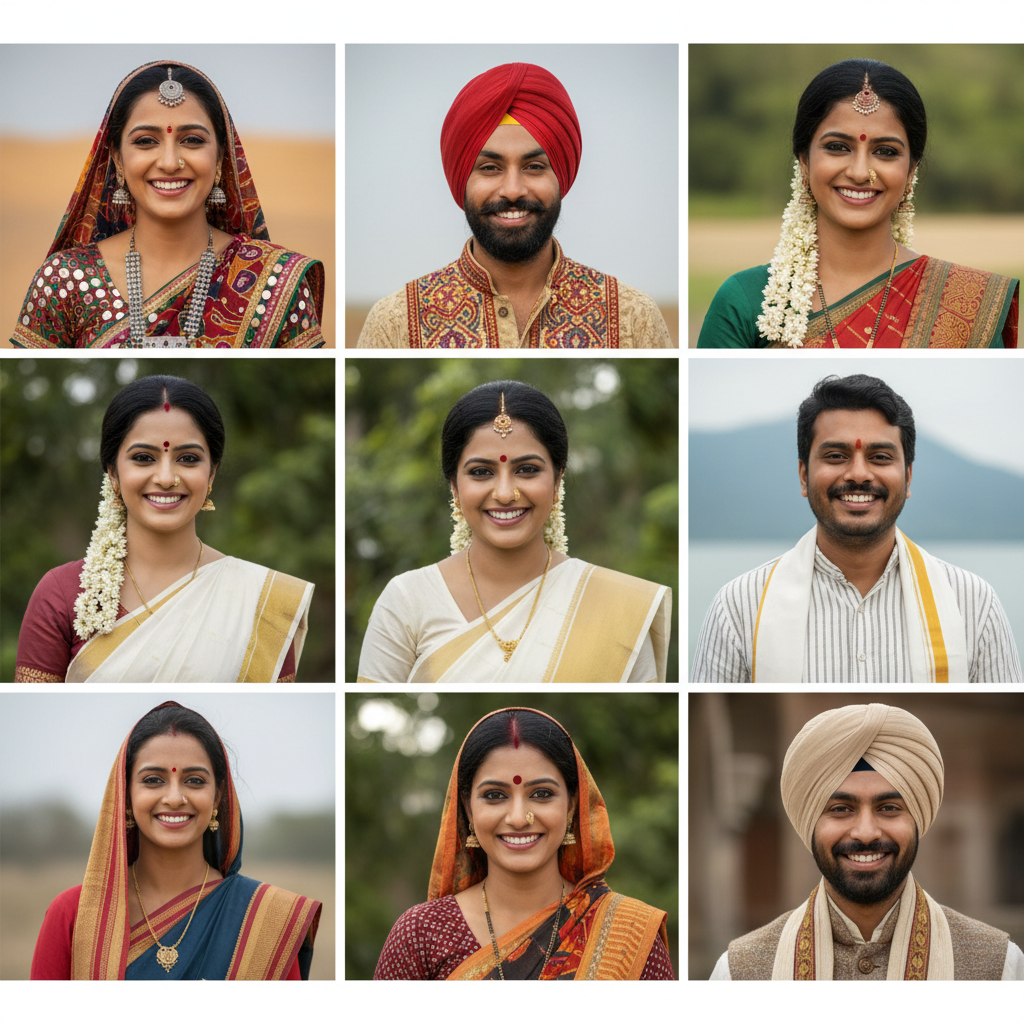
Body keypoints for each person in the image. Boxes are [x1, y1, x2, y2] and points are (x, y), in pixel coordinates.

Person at [691, 374, 1021, 682]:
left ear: (907, 477)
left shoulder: (974, 604)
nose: (859, 474)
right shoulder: (738, 605)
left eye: (879, 457)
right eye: (836, 456)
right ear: (804, 476)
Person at [356, 380, 671, 682]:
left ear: (558, 479)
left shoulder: (617, 606)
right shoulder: (407, 600)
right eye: (481, 472)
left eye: (527, 470)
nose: (505, 493)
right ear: (454, 485)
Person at [697, 58, 1018, 348]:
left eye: (886, 151)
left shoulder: (966, 303)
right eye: (837, 147)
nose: (861, 172)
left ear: (911, 170)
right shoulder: (745, 300)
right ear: (805, 161)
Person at [14, 375, 314, 682]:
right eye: (144, 458)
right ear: (113, 473)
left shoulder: (262, 601)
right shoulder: (62, 594)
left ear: (211, 473)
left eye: (188, 458)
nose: (167, 477)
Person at [11, 60, 324, 348]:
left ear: (220, 159)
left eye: (192, 140)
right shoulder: (64, 280)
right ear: (118, 159)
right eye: (146, 141)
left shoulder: (276, 282)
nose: (171, 162)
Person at [357, 63, 671, 349]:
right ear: (462, 179)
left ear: (560, 176)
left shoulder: (633, 318)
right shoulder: (396, 323)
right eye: (490, 168)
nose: (512, 190)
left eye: (534, 167)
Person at [711, 703, 1024, 980]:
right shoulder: (740, 971)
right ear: (810, 821)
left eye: (888, 808)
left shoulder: (998, 965)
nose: (865, 832)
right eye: (841, 809)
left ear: (918, 819)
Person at [374, 707, 673, 979]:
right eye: (494, 795)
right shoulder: (422, 934)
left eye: (541, 794)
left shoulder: (628, 935)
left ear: (571, 805)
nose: (519, 818)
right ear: (467, 808)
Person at [30, 701, 322, 979]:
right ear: (126, 795)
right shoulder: (74, 914)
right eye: (153, 780)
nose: (174, 798)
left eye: (194, 780)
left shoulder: (265, 920)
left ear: (217, 796)